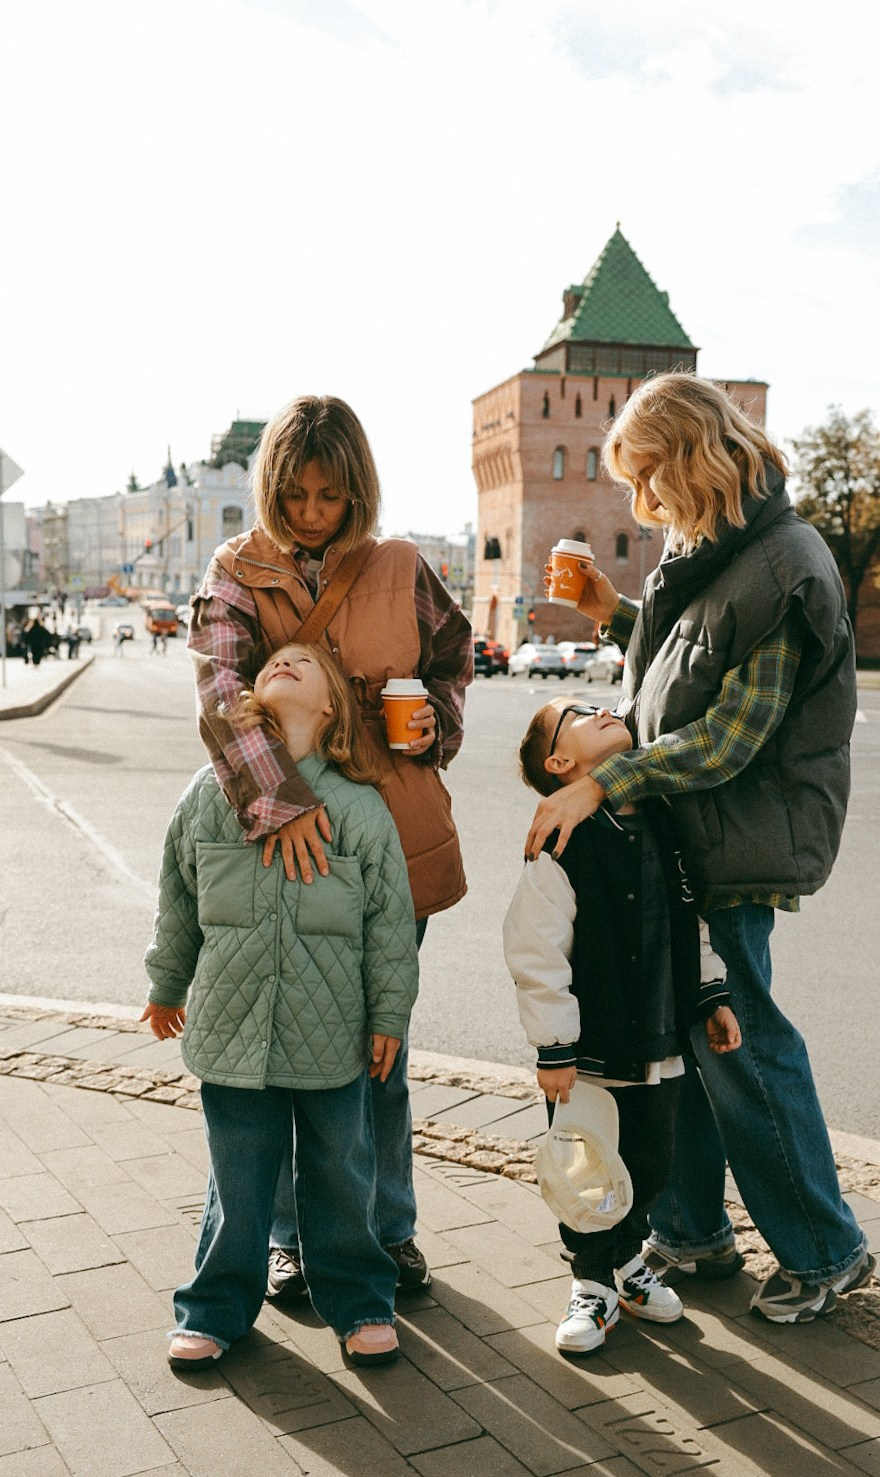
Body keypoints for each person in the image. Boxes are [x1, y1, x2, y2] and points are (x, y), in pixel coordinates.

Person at [524, 372, 874, 1325]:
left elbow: (729, 735)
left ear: (693, 457)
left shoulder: (789, 563)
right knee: (687, 1043)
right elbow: (687, 664)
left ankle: (823, 1248)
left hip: (735, 839)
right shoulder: (721, 544)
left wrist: (605, 779)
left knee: (743, 1044)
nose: (643, 502)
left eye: (649, 476)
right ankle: (689, 1231)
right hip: (693, 840)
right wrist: (611, 609)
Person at [189, 394, 471, 1302]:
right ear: (272, 487)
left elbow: (452, 659)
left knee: (375, 1051)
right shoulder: (235, 568)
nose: (312, 513)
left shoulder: (401, 565)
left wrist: (436, 722)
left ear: (359, 490)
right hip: (283, 851)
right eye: (297, 494)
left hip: (391, 839)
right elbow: (221, 694)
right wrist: (283, 802)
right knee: (274, 1055)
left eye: (331, 496)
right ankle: (285, 1239)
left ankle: (386, 1232)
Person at [142, 642, 419, 1370]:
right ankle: (215, 1305)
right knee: (237, 1182)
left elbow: (389, 924)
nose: (284, 661)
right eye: (272, 660)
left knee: (341, 1173)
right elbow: (179, 899)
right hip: (231, 1029)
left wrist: (390, 1014)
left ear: (332, 706)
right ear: (253, 694)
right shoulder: (209, 792)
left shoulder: (358, 805)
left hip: (332, 1036)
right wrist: (166, 983)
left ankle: (359, 1300)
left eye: (306, 660)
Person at [505, 698, 741, 1354]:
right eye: (579, 711)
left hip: (658, 1045)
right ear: (560, 762)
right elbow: (535, 951)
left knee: (648, 1161)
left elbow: (690, 918)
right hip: (590, 1053)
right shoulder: (562, 837)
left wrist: (710, 996)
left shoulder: (663, 818)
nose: (604, 705)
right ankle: (590, 1279)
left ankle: (629, 1261)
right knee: (585, 1169)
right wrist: (554, 1045)